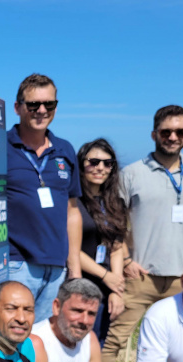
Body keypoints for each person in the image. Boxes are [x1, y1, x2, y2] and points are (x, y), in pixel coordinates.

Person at [101, 105, 183, 362]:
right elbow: (115, 223)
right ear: (154, 134)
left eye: (180, 131)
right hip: (139, 276)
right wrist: (127, 260)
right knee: (113, 339)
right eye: (166, 131)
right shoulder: (131, 173)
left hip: (182, 278)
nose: (173, 136)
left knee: (181, 342)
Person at [5, 74, 83, 323]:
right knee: (8, 340)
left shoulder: (65, 150)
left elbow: (72, 211)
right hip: (16, 265)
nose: (41, 110)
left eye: (49, 104)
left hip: (57, 269)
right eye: (33, 105)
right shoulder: (0, 147)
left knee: (40, 344)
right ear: (18, 108)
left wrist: (75, 267)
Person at [76, 139, 128, 345]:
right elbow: (69, 250)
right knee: (79, 342)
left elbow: (115, 248)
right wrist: (106, 276)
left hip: (106, 287)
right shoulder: (72, 202)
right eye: (94, 162)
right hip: (79, 284)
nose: (100, 168)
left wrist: (116, 288)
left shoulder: (116, 203)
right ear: (81, 164)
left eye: (107, 163)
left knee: (99, 342)